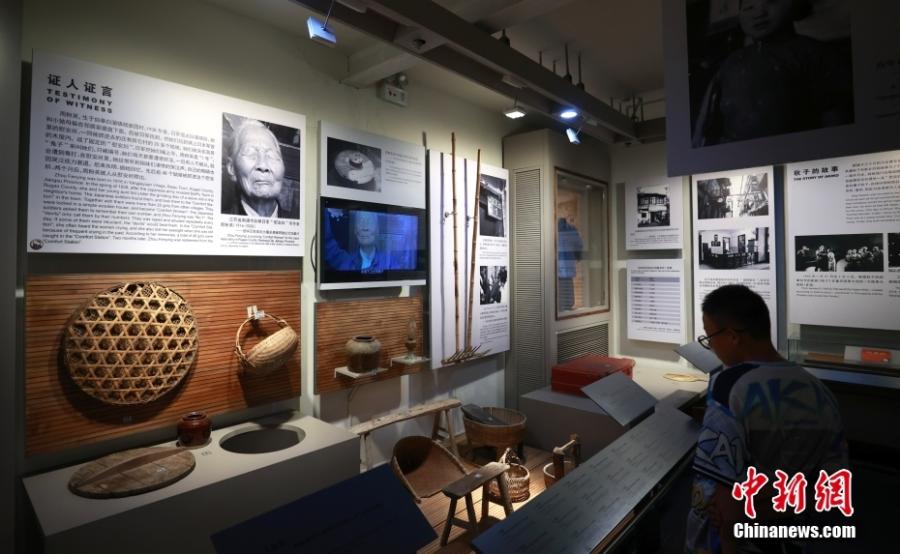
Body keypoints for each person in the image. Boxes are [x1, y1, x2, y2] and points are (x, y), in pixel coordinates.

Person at [685, 285, 847, 554]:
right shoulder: (820, 391)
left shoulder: (730, 386)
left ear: (733, 336)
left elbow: (722, 488)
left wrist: (729, 539)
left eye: (710, 338)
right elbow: (831, 483)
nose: (711, 347)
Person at [692, 0, 852, 147]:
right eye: (748, 7)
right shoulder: (729, 62)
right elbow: (706, 123)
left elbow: (834, 115)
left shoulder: (815, 53)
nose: (758, 13)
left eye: (771, 2)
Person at [222, 118, 297, 219]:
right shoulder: (222, 219)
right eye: (251, 154)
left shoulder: (296, 220)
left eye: (272, 156)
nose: (263, 165)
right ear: (232, 168)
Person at [323, 210, 389, 274]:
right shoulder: (346, 262)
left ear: (377, 230)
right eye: (360, 221)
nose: (365, 228)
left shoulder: (389, 262)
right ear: (355, 230)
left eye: (370, 221)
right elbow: (328, 245)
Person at [557, 205, 584, 311]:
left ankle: (562, 308)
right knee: (567, 288)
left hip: (556, 269)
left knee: (559, 291)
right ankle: (567, 307)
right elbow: (579, 246)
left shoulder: (552, 231)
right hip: (568, 267)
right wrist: (579, 256)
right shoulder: (572, 230)